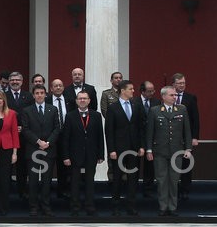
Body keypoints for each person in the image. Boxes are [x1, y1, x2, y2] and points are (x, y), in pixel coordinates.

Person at [145, 85, 192, 216]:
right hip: (160, 150)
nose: (174, 97)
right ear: (163, 96)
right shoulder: (155, 111)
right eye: (172, 95)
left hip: (177, 151)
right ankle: (163, 206)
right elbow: (150, 132)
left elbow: (187, 130)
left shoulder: (181, 109)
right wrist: (149, 150)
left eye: (175, 95)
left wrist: (188, 148)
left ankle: (172, 207)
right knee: (161, 180)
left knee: (174, 180)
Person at [60, 90, 104, 216]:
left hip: (91, 154)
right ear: (76, 101)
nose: (83, 100)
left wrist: (101, 154)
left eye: (85, 98)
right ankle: (75, 207)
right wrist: (66, 156)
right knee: (74, 182)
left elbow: (100, 136)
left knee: (90, 182)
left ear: (89, 100)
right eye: (80, 98)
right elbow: (66, 138)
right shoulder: (70, 116)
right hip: (75, 155)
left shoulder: (96, 115)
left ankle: (90, 206)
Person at [19, 84, 60, 217]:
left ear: (45, 94)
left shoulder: (53, 109)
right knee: (33, 180)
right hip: (33, 149)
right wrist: (38, 141)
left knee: (47, 180)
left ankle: (46, 206)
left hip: (49, 149)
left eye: (42, 93)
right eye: (37, 93)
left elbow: (57, 128)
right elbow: (25, 129)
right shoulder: (27, 110)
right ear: (33, 95)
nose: (40, 95)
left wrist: (47, 142)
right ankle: (33, 206)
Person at [105, 80, 145, 216]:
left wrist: (141, 146)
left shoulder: (137, 105)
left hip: (134, 148)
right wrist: (111, 150)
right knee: (117, 178)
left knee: (133, 178)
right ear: (123, 90)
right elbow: (109, 131)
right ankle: (115, 206)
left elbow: (141, 127)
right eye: (131, 89)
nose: (133, 91)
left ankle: (131, 206)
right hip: (118, 149)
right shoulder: (113, 108)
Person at [171, 73, 199, 199]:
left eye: (183, 83)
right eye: (179, 83)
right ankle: (174, 189)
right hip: (172, 138)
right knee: (172, 164)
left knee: (186, 164)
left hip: (186, 138)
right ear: (173, 84)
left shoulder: (190, 98)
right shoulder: (168, 97)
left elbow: (195, 119)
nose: (182, 85)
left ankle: (185, 189)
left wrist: (194, 137)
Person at [138, 80, 157, 196]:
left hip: (152, 138)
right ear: (143, 91)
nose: (152, 93)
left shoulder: (156, 102)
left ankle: (148, 188)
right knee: (135, 165)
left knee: (150, 165)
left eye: (153, 91)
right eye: (149, 91)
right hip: (138, 137)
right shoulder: (134, 102)